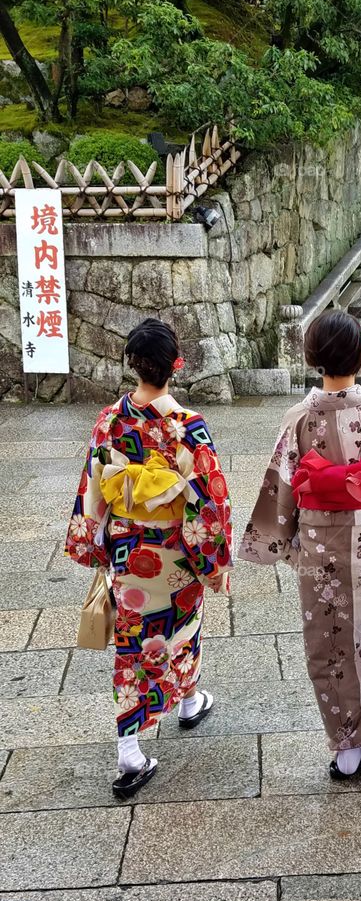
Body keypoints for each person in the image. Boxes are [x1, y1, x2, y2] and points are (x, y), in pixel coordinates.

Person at [239, 311, 361, 778]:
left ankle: (347, 749)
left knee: (328, 643)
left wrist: (284, 544)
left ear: (311, 358)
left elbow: (280, 489)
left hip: (318, 550)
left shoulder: (298, 420)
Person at [64, 319, 233, 797]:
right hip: (176, 553)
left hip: (128, 548)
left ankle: (153, 728)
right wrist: (213, 558)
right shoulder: (186, 426)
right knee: (182, 626)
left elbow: (93, 490)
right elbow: (209, 499)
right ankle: (163, 723)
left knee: (135, 641)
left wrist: (93, 546)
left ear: (132, 365)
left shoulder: (110, 420)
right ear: (174, 365)